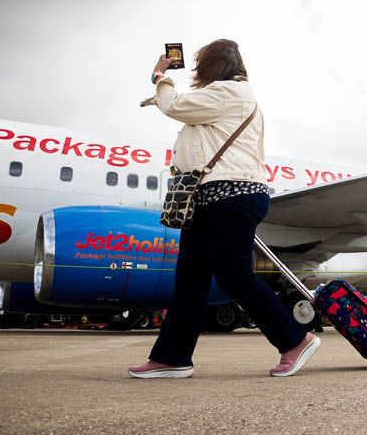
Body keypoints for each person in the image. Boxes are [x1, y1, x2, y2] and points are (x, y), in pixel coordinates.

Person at [128, 39, 319, 380]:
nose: (197, 71)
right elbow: (183, 110)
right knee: (189, 282)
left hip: (230, 195)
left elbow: (174, 105)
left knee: (235, 276)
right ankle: (172, 358)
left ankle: (295, 339)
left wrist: (161, 75)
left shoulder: (230, 92)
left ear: (212, 67)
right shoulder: (223, 98)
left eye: (201, 65)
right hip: (210, 198)